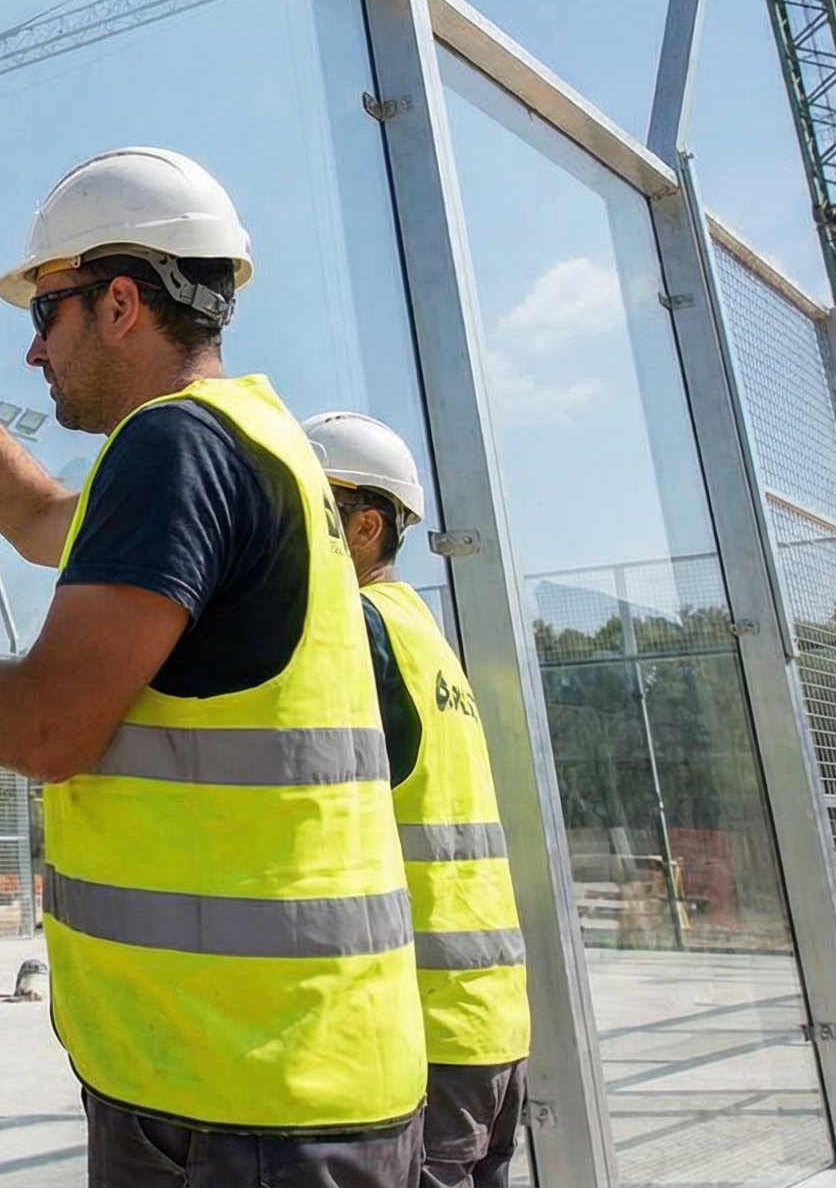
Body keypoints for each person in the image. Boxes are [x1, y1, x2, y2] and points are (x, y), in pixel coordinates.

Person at [0, 146, 426, 1187]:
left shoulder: (173, 446)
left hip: (236, 1091)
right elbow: (39, 521)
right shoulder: (258, 444)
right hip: (301, 1068)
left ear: (119, 304)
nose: (33, 353)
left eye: (43, 314)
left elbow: (46, 728)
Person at [304, 411, 529, 1188]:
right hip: (487, 1020)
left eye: (307, 508)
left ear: (365, 527)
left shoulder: (358, 628)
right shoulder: (423, 635)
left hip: (426, 1031)